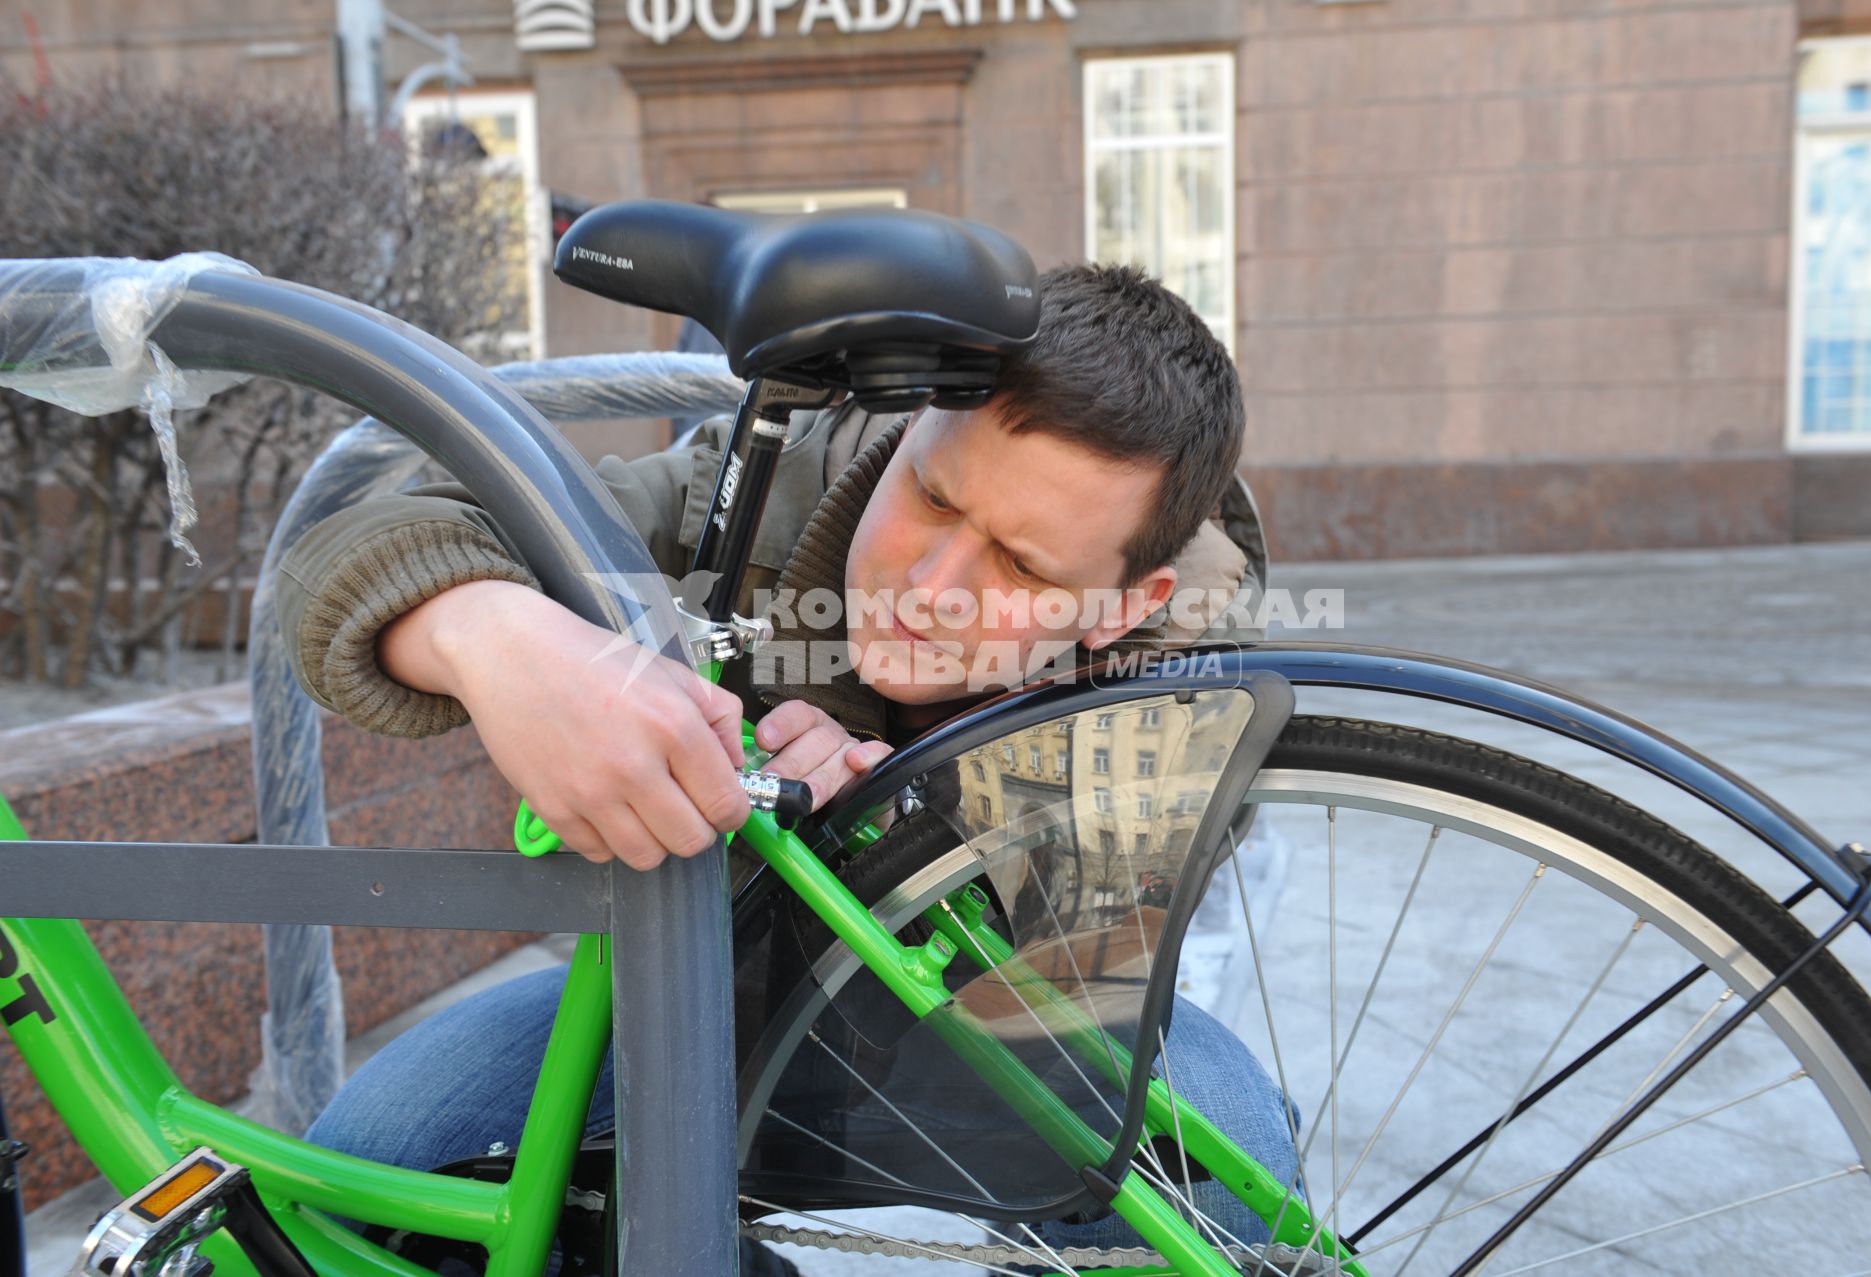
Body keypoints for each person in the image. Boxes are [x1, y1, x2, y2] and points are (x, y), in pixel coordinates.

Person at [275, 263, 1295, 1268]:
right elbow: (362, 537)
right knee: (366, 1168)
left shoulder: (1196, 647)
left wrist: (897, 825)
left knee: (1222, 1158)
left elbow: (1093, 926)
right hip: (706, 993)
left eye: (1024, 567)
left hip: (1015, 1027)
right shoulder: (766, 481)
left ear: (1121, 600)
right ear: (909, 432)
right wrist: (493, 634)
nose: (934, 587)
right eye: (933, 498)